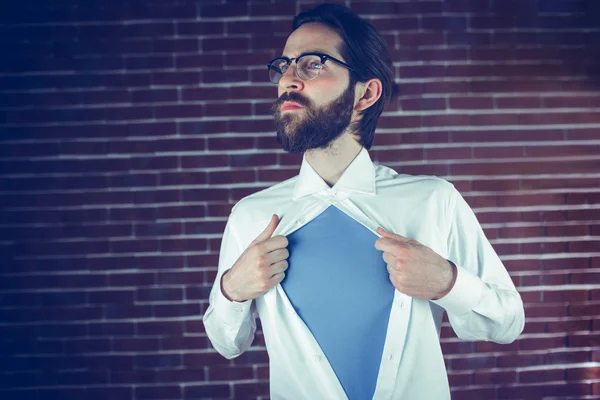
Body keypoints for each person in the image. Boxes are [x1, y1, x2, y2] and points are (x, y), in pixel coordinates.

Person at [203, 4, 525, 399]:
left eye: (311, 64)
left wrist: (448, 282)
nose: (288, 78)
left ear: (365, 93)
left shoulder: (432, 200)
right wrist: (232, 289)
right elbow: (226, 342)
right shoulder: (251, 216)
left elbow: (507, 324)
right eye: (284, 65)